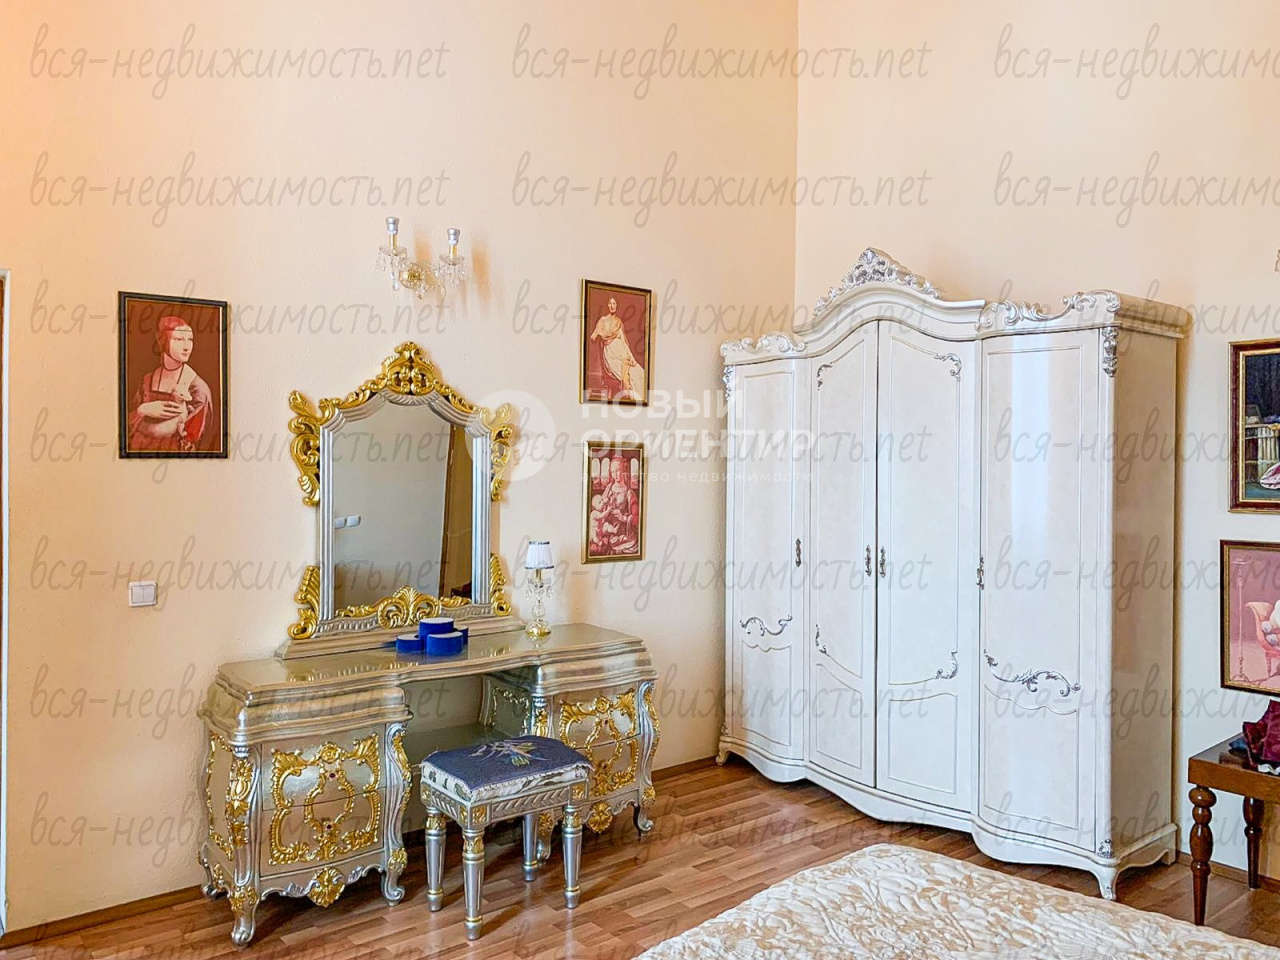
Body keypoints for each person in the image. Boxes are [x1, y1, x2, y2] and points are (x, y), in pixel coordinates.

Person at [128, 315, 212, 452]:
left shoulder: (198, 389)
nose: (187, 347)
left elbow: (191, 440)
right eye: (179, 339)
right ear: (163, 341)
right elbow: (125, 429)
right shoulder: (147, 380)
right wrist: (142, 410)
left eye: (190, 340)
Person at [590, 296, 646, 401]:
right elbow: (593, 337)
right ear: (607, 305)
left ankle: (643, 401)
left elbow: (624, 342)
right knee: (632, 376)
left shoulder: (618, 322)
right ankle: (637, 400)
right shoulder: (602, 320)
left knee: (640, 373)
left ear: (617, 305)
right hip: (611, 356)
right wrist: (600, 334)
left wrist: (632, 358)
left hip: (623, 354)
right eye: (610, 303)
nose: (612, 306)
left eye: (614, 303)